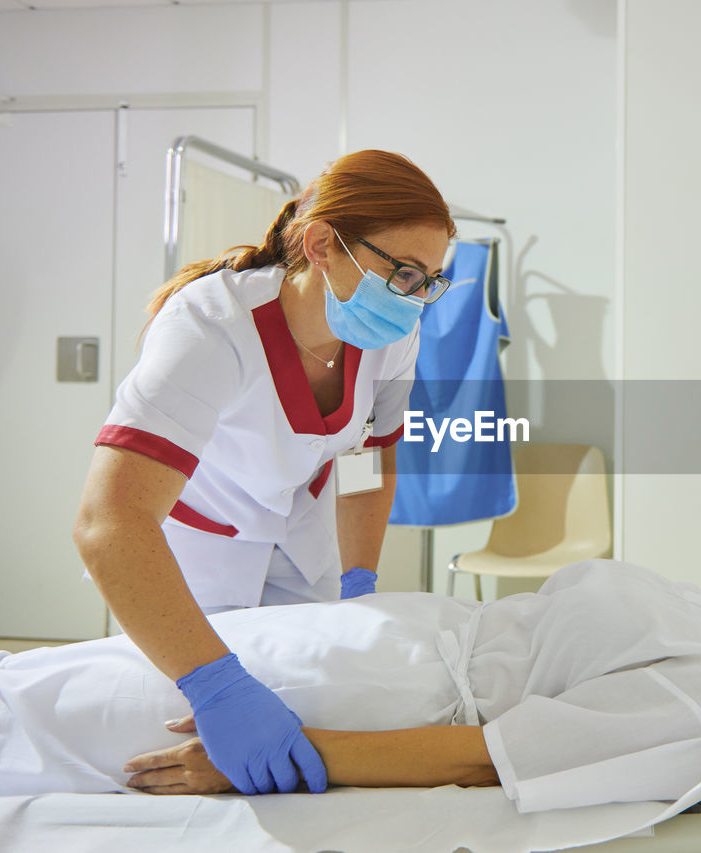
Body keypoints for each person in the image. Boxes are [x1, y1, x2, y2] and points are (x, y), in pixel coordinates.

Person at [0, 522, 701, 813]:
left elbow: (485, 756)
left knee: (27, 718)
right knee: (38, 672)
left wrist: (255, 756)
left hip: (356, 697)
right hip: (364, 640)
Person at [71, 150, 456, 796]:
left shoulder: (392, 333)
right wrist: (213, 682)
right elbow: (107, 521)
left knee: (310, 714)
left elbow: (371, 453)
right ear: (323, 244)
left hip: (300, 537)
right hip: (194, 550)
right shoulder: (209, 327)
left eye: (431, 281)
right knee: (166, 737)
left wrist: (359, 583)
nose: (416, 300)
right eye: (405, 275)